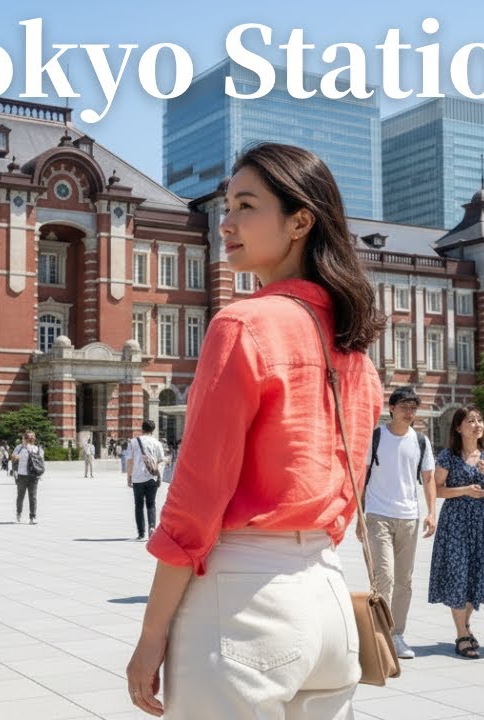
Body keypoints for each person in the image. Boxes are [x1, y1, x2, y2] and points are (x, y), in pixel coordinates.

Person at [125, 143, 384, 718]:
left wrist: (151, 632)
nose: (227, 222)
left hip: (245, 605)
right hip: (329, 598)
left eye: (246, 206)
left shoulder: (243, 324)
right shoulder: (355, 350)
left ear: (300, 222)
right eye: (228, 207)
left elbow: (196, 499)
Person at [358, 386, 436, 660]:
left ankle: (397, 634)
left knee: (404, 581)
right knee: (384, 577)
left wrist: (432, 512)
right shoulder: (376, 437)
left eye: (413, 407)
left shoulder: (421, 441)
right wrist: (359, 516)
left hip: (409, 518)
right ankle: (379, 634)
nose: (409, 412)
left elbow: (428, 478)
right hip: (378, 515)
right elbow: (362, 477)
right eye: (404, 406)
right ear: (391, 408)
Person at [428, 405, 484, 660]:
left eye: (480, 420)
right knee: (458, 575)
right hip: (455, 521)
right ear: (458, 427)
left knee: (475, 575)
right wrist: (465, 490)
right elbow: (437, 489)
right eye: (471, 420)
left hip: (481, 522)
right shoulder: (448, 456)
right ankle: (461, 634)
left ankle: (465, 625)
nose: (477, 425)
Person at [125, 420, 166, 541]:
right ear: (153, 430)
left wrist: (129, 476)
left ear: (142, 428)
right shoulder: (157, 443)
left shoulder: (133, 442)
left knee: (138, 505)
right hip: (152, 477)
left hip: (137, 477)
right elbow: (161, 459)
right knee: (151, 504)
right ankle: (152, 527)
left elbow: (130, 461)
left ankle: (141, 532)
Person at [12, 431, 44, 524]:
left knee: (33, 497)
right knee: (20, 496)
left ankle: (32, 517)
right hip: (21, 475)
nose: (29, 439)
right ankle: (19, 512)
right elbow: (13, 457)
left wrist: (40, 473)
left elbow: (41, 461)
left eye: (31, 437)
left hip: (33, 476)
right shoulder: (19, 447)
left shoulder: (36, 448)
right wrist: (16, 457)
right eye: (27, 437)